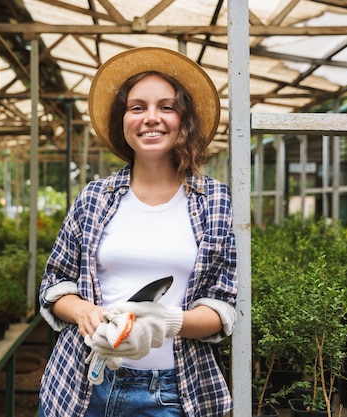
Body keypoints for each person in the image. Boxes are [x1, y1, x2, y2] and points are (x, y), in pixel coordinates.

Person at [38, 47, 238, 417]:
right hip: (83, 385)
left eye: (166, 107)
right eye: (137, 107)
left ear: (184, 120)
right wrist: (83, 311)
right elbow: (54, 284)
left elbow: (225, 305)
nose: (151, 118)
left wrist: (169, 322)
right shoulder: (94, 197)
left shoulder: (216, 201)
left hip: (174, 390)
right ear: (123, 120)